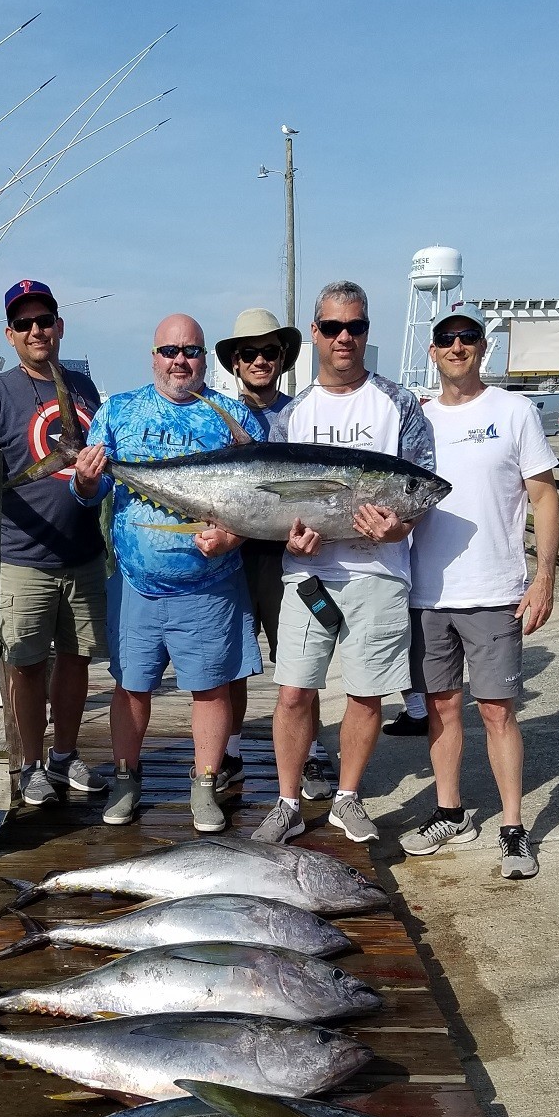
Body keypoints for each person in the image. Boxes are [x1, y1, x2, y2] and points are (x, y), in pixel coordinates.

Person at [252, 280, 433, 847]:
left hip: (378, 575)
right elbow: (270, 497)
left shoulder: (398, 403)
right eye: (333, 327)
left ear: (367, 332)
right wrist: (290, 540)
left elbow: (423, 490)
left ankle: (347, 797)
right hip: (310, 575)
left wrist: (398, 528)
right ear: (315, 332)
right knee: (294, 692)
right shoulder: (295, 412)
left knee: (366, 692)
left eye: (355, 326)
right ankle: (287, 800)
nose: (344, 338)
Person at [70, 315, 265, 833]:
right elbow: (90, 495)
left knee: (211, 689)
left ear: (205, 359)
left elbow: (258, 507)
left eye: (192, 351)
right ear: (153, 356)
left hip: (211, 584)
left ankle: (205, 784)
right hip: (135, 582)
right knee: (131, 687)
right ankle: (126, 780)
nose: (181, 360)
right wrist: (87, 483)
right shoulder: (118, 411)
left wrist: (232, 537)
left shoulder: (234, 417)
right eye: (170, 350)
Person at [0, 278, 108, 807]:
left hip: (84, 555)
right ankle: (29, 763)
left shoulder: (83, 388)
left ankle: (64, 755)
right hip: (23, 558)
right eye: (25, 323)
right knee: (25, 664)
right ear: (10, 334)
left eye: (45, 320)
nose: (37, 330)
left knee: (77, 660)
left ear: (59, 327)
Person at [398, 302, 559, 880]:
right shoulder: (415, 418)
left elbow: (543, 496)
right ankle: (449, 810)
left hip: (496, 590)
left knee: (497, 711)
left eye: (468, 338)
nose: (457, 347)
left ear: (482, 349)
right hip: (428, 592)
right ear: (432, 350)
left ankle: (513, 828)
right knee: (441, 710)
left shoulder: (514, 411)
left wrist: (543, 576)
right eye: (446, 339)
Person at [212, 307, 333, 795]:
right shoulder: (215, 419)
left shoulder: (303, 412)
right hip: (230, 557)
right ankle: (233, 750)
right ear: (236, 363)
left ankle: (315, 754)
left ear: (282, 358)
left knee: (301, 658)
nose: (260, 360)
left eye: (269, 352)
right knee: (234, 660)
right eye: (249, 354)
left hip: (291, 556)